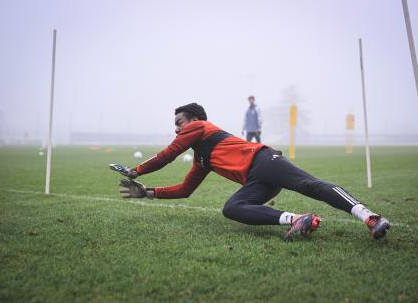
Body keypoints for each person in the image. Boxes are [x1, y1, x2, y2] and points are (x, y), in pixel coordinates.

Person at [113, 103, 390, 240]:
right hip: (256, 180)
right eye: (175, 125)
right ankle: (298, 219)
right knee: (232, 207)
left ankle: (369, 217)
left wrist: (136, 171)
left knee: (310, 185)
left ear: (195, 121)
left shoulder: (201, 128)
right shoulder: (201, 158)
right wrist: (147, 193)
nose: (177, 128)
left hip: (264, 160)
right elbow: (186, 190)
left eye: (179, 122)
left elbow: (169, 154)